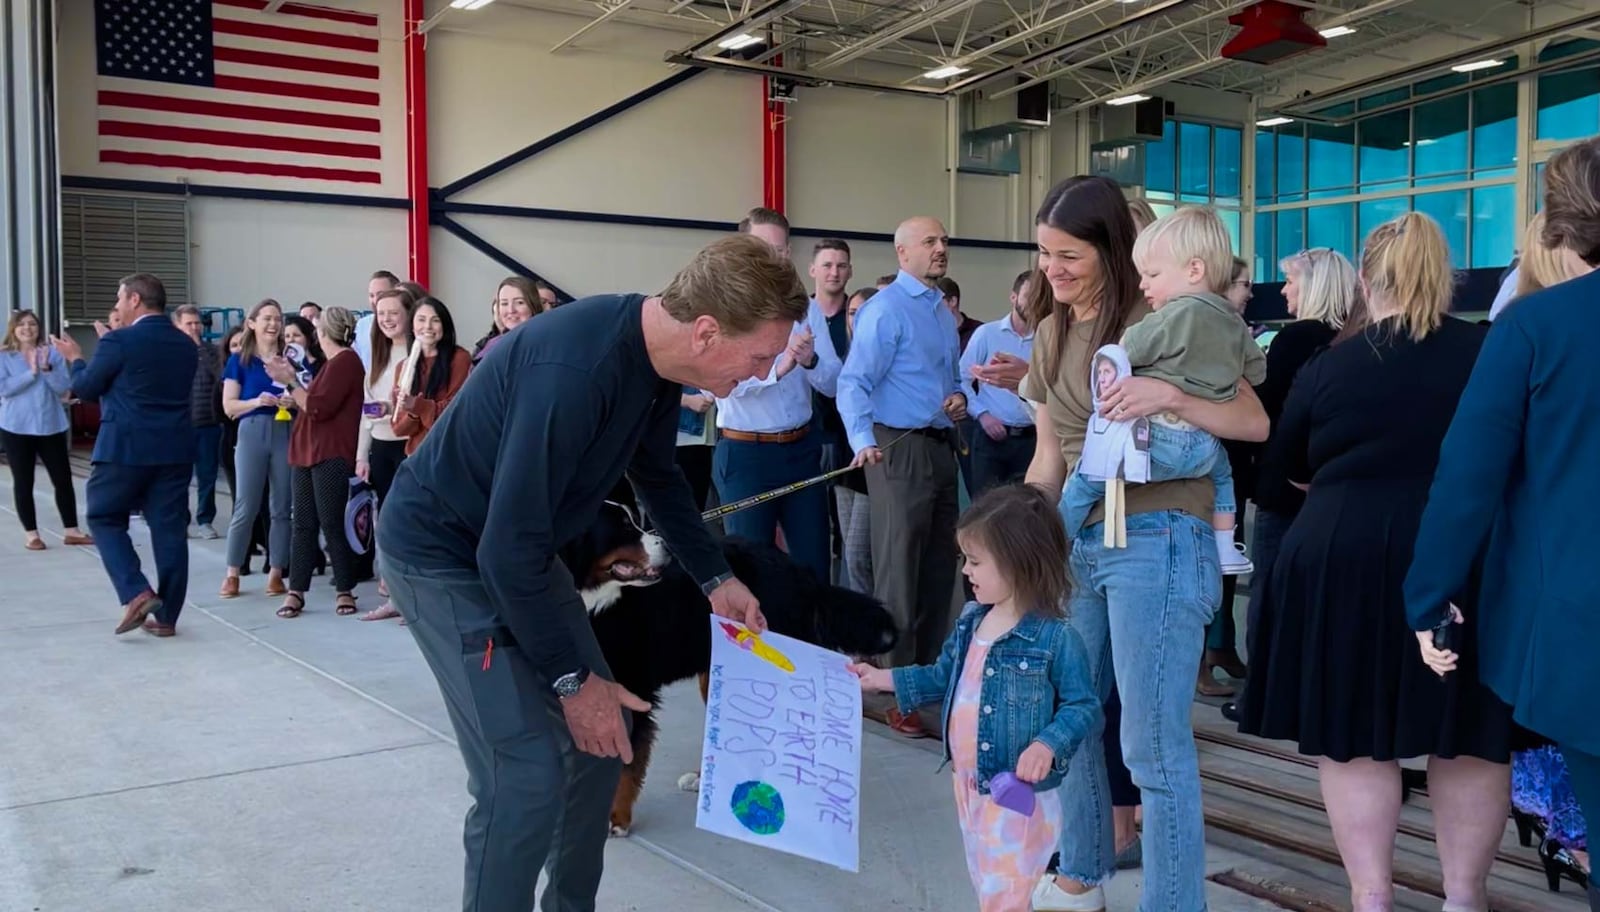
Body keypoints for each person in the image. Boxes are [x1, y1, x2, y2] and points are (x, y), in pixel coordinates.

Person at [377, 234, 800, 912]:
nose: (759, 373)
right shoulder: (575, 372)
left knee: (606, 746)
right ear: (707, 331)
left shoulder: (658, 369)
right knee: (522, 776)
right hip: (443, 556)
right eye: (758, 356)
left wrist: (716, 578)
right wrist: (574, 681)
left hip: (524, 552)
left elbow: (659, 479)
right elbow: (503, 552)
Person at [1240, 212, 1515, 912]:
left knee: (1354, 737)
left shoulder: (1330, 365)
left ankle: (1372, 898)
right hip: (1468, 556)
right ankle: (1464, 899)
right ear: (1445, 277)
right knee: (1470, 737)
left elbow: (1280, 475)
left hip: (1342, 557)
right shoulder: (1487, 350)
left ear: (1364, 280)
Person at [1022, 176, 1267, 912]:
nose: (1053, 270)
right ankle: (1083, 871)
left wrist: (1172, 397)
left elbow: (1253, 420)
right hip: (1081, 541)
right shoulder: (1049, 331)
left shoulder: (1163, 310)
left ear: (1111, 251)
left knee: (1153, 751)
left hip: (1159, 538)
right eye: (1043, 254)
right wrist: (1023, 549)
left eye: (1069, 254)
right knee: (1071, 714)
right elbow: (1048, 458)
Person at [1405, 137, 1600, 906]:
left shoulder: (1534, 327)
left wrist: (1428, 596)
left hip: (1582, 632)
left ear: (1556, 225)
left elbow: (1467, 481)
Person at [853, 483, 1098, 912]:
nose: (966, 569)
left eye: (977, 561)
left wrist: (1048, 743)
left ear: (1019, 564)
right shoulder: (972, 622)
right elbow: (942, 677)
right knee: (988, 881)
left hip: (1020, 794)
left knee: (1009, 890)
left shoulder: (1055, 638)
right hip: (970, 787)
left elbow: (1083, 706)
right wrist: (880, 679)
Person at [1057, 206, 1264, 575]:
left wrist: (1128, 357)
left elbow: (1131, 347)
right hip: (1203, 446)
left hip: (1156, 441)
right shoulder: (1232, 322)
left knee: (1088, 479)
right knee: (1223, 478)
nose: (1143, 283)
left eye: (1151, 274)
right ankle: (1225, 545)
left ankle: (1054, 541)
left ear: (1193, 270)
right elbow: (1257, 370)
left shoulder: (1172, 315)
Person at [837, 216, 968, 690]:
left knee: (939, 565)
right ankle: (893, 685)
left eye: (944, 241)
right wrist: (862, 441)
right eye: (930, 241)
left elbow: (947, 380)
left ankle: (929, 674)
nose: (940, 248)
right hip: (896, 447)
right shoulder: (887, 309)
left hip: (940, 446)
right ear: (902, 252)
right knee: (899, 565)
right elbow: (853, 382)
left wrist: (959, 398)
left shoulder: (938, 309)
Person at [50, 274, 197, 637]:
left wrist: (77, 359)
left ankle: (135, 591)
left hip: (125, 448)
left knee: (102, 515)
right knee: (170, 532)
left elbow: (85, 388)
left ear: (134, 299)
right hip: (175, 450)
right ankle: (167, 619)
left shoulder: (119, 340)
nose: (116, 306)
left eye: (119, 299)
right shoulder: (185, 344)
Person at [266, 307, 367, 619]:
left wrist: (290, 382)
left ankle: (344, 589)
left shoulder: (345, 362)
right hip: (309, 449)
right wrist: (295, 391)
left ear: (321, 333)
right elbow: (312, 404)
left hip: (330, 450)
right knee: (304, 523)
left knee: (331, 521)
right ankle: (297, 590)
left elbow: (319, 408)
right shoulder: (333, 365)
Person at [0, 310, 91, 550]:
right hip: (16, 427)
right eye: (22, 325)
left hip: (50, 425)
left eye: (32, 324)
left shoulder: (51, 353)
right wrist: (30, 374)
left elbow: (64, 388)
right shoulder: (4, 356)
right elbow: (5, 389)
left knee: (62, 479)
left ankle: (72, 530)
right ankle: (32, 535)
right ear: (14, 329)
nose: (27, 329)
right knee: (23, 481)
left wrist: (46, 370)